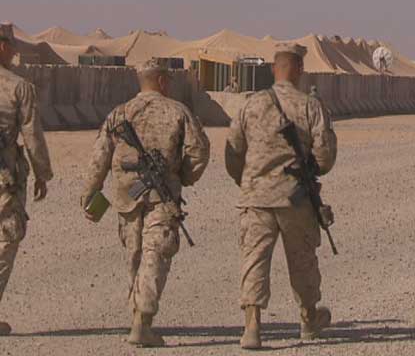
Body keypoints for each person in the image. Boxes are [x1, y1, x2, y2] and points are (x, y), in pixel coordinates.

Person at [81, 58, 210, 347]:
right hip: (161, 198)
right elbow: (199, 151)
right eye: (169, 81)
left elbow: (99, 155)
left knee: (136, 255)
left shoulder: (119, 113)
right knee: (155, 254)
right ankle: (142, 320)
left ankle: (138, 316)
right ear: (162, 81)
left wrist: (90, 193)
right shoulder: (178, 111)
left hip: (127, 197)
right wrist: (183, 176)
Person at [225, 43, 337, 350]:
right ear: (300, 69)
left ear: (274, 69)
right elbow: (325, 157)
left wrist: (248, 181)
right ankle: (308, 319)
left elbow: (233, 151)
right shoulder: (310, 106)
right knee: (302, 260)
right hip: (295, 198)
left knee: (254, 260)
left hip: (256, 198)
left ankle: (251, 327)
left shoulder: (250, 104)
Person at [0, 23, 53, 336]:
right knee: (7, 236)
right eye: (12, 45)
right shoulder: (18, 87)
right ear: (3, 46)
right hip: (5, 176)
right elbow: (32, 135)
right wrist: (42, 174)